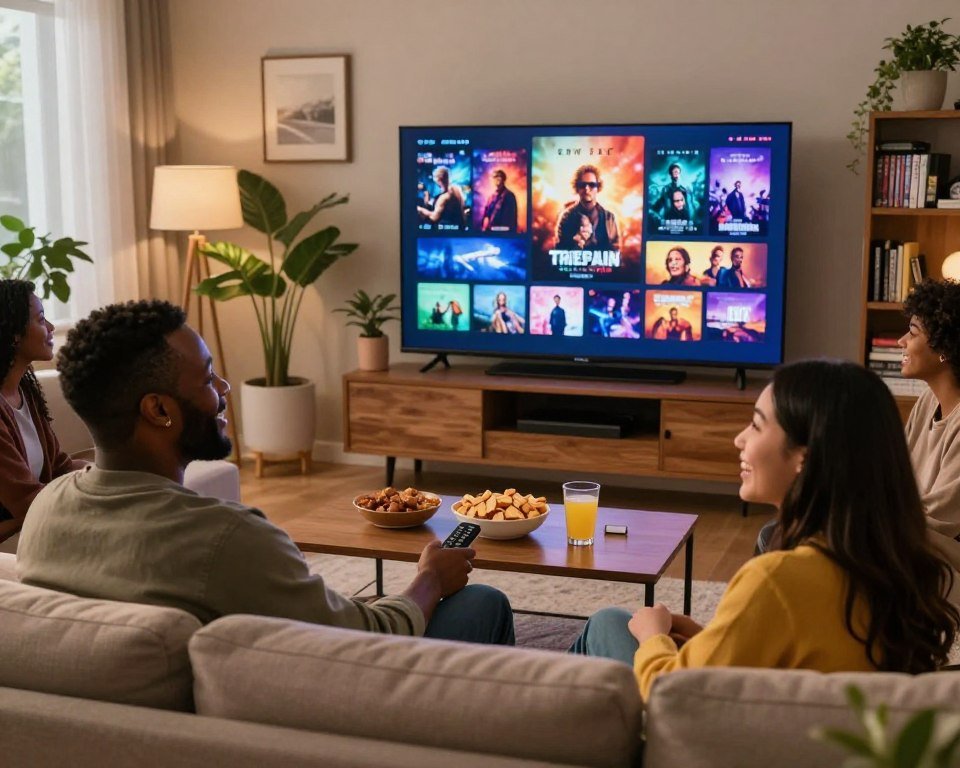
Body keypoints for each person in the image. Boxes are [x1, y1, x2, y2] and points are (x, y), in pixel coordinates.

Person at [17, 300, 514, 646]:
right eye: (210, 377)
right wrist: (429, 579)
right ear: (159, 411)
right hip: (333, 713)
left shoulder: (45, 509)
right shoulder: (226, 537)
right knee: (483, 602)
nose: (226, 388)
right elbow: (369, 637)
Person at [571, 359, 959, 700]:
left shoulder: (777, 578)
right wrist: (716, 636)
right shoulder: (889, 562)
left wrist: (653, 638)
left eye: (756, 426)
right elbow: (801, 664)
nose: (738, 439)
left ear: (803, 458)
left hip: (698, 746)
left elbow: (673, 695)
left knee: (609, 623)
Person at [0, 280, 87, 552]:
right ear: (14, 333)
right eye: (40, 319)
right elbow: (26, 501)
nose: (50, 328)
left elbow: (59, 465)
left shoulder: (25, 388)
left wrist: (108, 474)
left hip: (29, 517)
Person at [555, 165, 620, 251]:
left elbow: (615, 251)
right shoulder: (566, 217)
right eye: (582, 185)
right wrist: (577, 243)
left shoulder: (609, 217)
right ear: (577, 188)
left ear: (598, 188)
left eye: (592, 185)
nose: (586, 189)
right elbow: (560, 251)